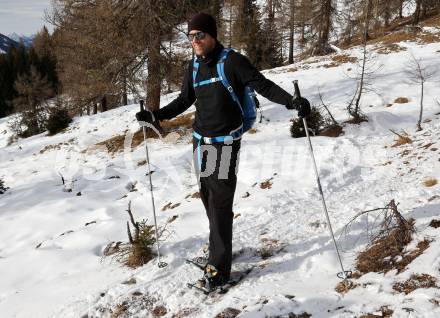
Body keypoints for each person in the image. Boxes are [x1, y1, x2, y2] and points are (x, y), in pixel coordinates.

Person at [136, 12, 311, 290]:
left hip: (226, 142)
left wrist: (292, 102)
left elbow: (261, 84)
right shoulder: (193, 66)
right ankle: (219, 251)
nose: (195, 40)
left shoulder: (232, 62)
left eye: (200, 35)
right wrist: (155, 116)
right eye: (191, 36)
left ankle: (219, 268)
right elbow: (184, 100)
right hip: (201, 142)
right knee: (208, 196)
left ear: (212, 35)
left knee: (220, 201)